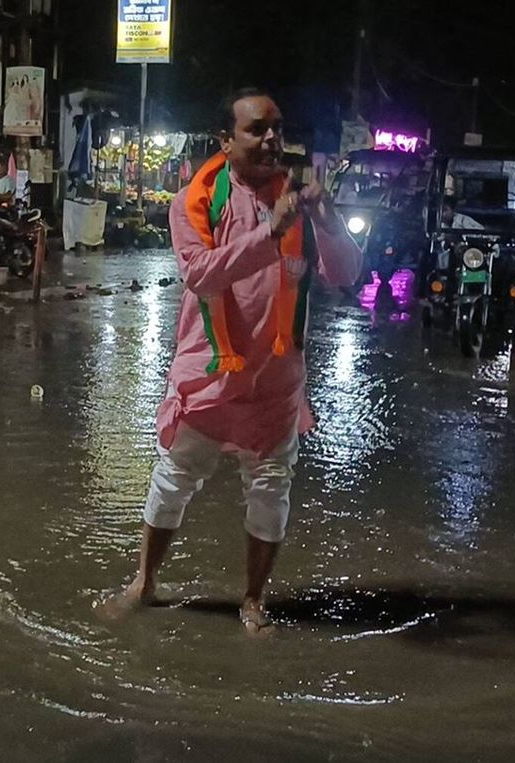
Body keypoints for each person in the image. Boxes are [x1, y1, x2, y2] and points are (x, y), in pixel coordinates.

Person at [101, 88, 362, 635]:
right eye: (257, 129)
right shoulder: (194, 202)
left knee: (271, 487)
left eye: (278, 128)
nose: (272, 139)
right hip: (210, 373)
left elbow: (346, 275)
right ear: (226, 140)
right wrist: (270, 232)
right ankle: (144, 582)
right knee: (173, 479)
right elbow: (201, 273)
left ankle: (252, 601)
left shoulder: (301, 199)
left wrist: (329, 219)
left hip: (277, 380)